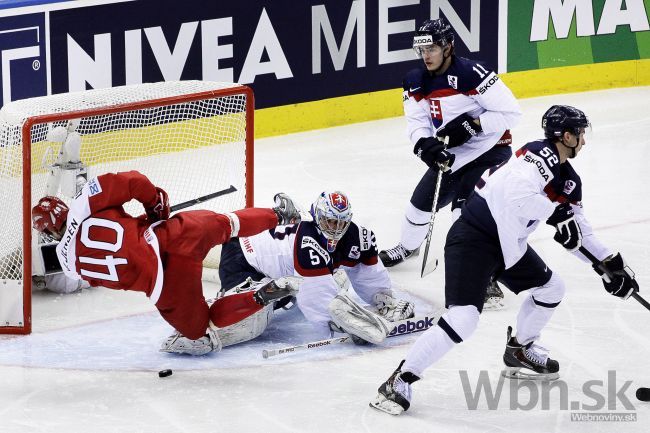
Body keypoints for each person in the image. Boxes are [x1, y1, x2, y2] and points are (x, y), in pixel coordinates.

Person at [369, 105, 640, 415]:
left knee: (551, 289)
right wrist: (555, 214)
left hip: (508, 246)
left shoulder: (568, 179)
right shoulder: (538, 156)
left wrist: (610, 266)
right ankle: (399, 379)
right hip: (473, 238)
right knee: (464, 318)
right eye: (580, 134)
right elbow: (517, 195)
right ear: (566, 136)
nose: (583, 140)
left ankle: (520, 350)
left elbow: (578, 233)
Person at [31, 170, 301, 355]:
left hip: (164, 286)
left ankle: (259, 296)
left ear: (48, 232)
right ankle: (280, 215)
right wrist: (155, 209)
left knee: (202, 329)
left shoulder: (68, 263)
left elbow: (82, 281)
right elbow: (135, 181)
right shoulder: (82, 203)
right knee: (228, 224)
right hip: (169, 237)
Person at [378, 17, 521, 309]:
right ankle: (408, 248)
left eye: (432, 48)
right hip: (453, 156)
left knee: (464, 215)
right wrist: (425, 147)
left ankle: (485, 276)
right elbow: (417, 123)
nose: (426, 55)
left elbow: (512, 113)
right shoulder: (415, 80)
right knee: (417, 207)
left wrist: (473, 124)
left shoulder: (473, 73)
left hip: (490, 151)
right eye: (422, 49)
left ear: (448, 47)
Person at [218, 190, 416, 346]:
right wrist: (339, 326)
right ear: (318, 217)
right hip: (241, 257)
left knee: (322, 281)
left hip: (277, 263)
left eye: (341, 222)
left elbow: (368, 270)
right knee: (256, 318)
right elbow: (315, 299)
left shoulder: (359, 237)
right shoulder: (308, 241)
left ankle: (282, 290)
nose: (335, 229)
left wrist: (383, 299)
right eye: (330, 221)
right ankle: (230, 296)